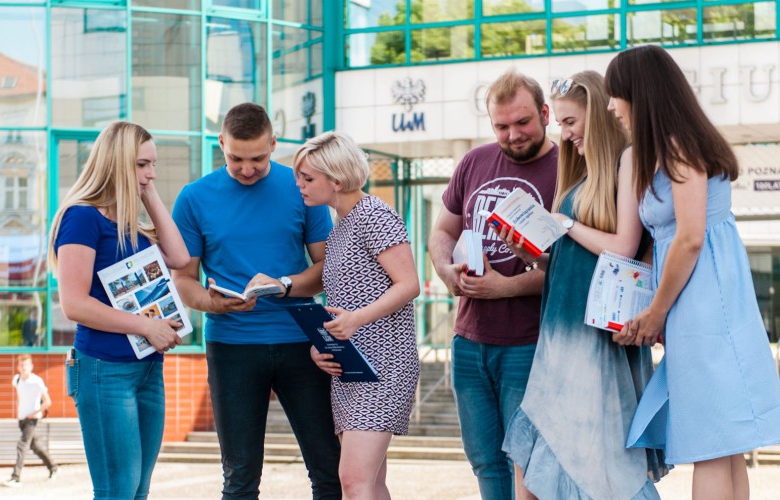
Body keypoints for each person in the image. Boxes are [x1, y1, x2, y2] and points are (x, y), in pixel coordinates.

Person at [606, 45, 780, 499]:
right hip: (702, 304)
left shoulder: (678, 146)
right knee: (726, 445)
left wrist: (655, 313)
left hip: (706, 306)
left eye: (617, 95)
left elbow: (689, 238)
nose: (612, 106)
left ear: (641, 94)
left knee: (711, 442)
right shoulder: (666, 149)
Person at [497, 71, 666, 499]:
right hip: (560, 329)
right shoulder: (582, 175)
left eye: (571, 122)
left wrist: (565, 223)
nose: (566, 134)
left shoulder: (626, 163)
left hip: (592, 338)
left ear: (600, 114)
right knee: (535, 464)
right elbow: (570, 262)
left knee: (593, 463)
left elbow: (623, 246)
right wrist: (527, 250)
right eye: (562, 124)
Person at [170, 103, 341, 500]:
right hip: (231, 348)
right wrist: (213, 304)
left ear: (275, 145)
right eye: (236, 159)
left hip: (303, 341)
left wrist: (283, 284)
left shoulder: (302, 188)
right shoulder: (194, 198)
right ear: (221, 145)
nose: (247, 169)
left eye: (259, 159)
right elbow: (183, 280)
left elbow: (325, 267)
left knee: (328, 467)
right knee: (240, 476)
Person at [428, 68, 558, 500]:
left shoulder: (569, 169)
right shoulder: (475, 161)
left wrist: (508, 288)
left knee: (526, 462)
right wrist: (446, 271)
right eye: (501, 126)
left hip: (530, 342)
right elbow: (441, 231)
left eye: (522, 123)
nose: (513, 135)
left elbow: (575, 270)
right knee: (483, 459)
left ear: (544, 113)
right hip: (469, 339)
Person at [48, 121, 190, 499]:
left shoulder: (131, 223)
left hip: (146, 369)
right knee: (117, 491)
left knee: (138, 491)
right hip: (104, 371)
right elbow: (74, 303)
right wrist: (146, 327)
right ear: (117, 163)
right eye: (143, 165)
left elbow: (178, 257)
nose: (152, 173)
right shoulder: (81, 217)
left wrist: (147, 193)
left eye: (154, 164)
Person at [296, 131, 420, 500]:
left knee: (353, 480)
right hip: (352, 368)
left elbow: (409, 284)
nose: (299, 185)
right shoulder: (338, 229)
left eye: (308, 178)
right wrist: (323, 346)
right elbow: (342, 301)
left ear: (336, 179)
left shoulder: (374, 214)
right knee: (367, 482)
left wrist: (355, 320)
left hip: (386, 365)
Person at [5, 354, 58, 486]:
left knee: (22, 445)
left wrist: (34, 413)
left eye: (26, 365)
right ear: (18, 367)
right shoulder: (16, 380)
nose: (24, 368)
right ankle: (54, 467)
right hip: (22, 419)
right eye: (22, 365)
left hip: (32, 420)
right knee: (36, 446)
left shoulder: (36, 381)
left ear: (31, 367)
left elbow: (47, 402)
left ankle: (16, 478)